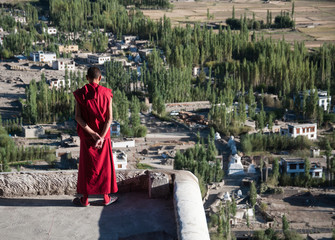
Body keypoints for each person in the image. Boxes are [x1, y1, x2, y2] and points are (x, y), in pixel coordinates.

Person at [72, 67, 118, 207]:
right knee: (104, 166)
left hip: (87, 137)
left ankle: (84, 199)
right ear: (100, 78)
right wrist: (101, 137)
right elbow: (109, 119)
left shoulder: (81, 94)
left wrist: (92, 134)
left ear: (87, 78)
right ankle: (105, 198)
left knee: (87, 167)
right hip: (103, 136)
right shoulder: (107, 94)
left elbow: (78, 117)